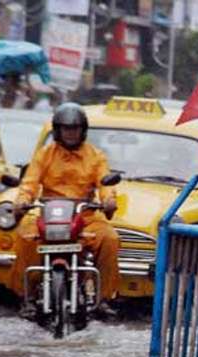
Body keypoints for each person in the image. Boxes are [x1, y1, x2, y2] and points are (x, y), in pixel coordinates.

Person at [10, 103, 120, 318]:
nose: (71, 133)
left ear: (83, 130)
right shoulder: (44, 155)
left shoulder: (96, 156)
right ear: (57, 130)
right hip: (49, 216)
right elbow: (29, 183)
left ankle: (103, 298)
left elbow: (105, 183)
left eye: (75, 129)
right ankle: (27, 297)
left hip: (85, 216)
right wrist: (23, 200)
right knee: (24, 237)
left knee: (110, 239)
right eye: (66, 129)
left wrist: (108, 200)